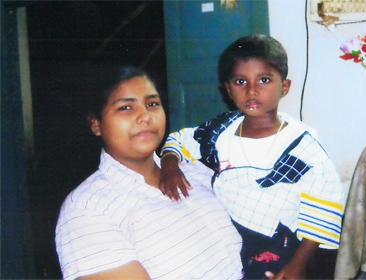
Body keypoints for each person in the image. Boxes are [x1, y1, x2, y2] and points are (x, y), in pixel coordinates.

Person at [160, 35, 344, 280]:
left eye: (264, 80)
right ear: (228, 89)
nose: (252, 90)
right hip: (226, 236)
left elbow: (326, 207)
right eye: (240, 81)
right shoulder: (220, 131)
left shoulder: (302, 147)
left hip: (277, 244)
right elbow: (181, 139)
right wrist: (169, 164)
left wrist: (298, 264)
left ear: (285, 87)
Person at [55, 67, 243, 280]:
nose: (145, 116)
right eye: (126, 107)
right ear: (96, 124)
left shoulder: (196, 171)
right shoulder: (87, 208)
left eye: (152, 104)